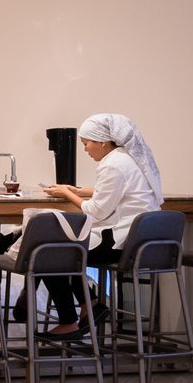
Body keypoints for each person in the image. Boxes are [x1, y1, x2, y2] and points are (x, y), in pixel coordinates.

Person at [34, 112, 162, 336]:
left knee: (50, 254)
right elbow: (117, 190)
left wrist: (67, 194)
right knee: (67, 248)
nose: (85, 149)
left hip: (122, 242)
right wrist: (76, 190)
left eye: (86, 143)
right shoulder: (129, 158)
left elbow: (96, 212)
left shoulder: (112, 164)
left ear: (102, 142)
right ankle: (90, 305)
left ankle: (69, 322)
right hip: (144, 241)